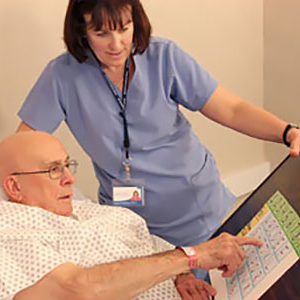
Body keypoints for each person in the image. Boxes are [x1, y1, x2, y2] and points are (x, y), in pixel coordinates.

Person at [16, 0, 300, 255]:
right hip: (134, 229)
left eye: (124, 28)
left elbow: (232, 109)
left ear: (134, 21)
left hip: (203, 211)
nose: (116, 44)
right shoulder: (62, 76)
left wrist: (288, 132)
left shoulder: (163, 57)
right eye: (101, 33)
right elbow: (22, 147)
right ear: (82, 31)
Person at [0, 131, 262, 300]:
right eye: (54, 170)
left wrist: (181, 275)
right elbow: (77, 289)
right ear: (14, 187)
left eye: (67, 165)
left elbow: (151, 245)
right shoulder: (12, 229)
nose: (70, 179)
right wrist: (193, 256)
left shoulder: (82, 210)